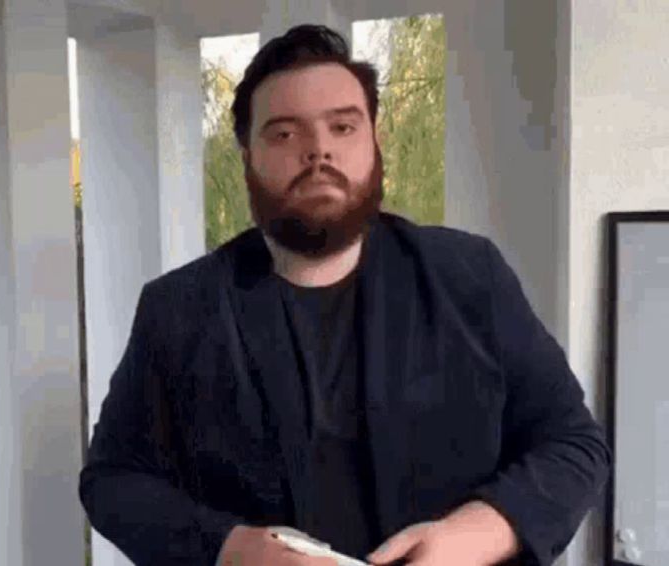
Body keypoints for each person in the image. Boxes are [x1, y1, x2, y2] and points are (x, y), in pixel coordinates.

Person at [79, 24, 610, 566]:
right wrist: (229, 548)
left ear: (374, 141)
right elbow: (113, 480)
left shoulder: (470, 278)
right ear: (247, 159)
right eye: (284, 134)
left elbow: (573, 444)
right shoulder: (178, 308)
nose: (318, 151)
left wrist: (469, 537)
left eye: (343, 126)